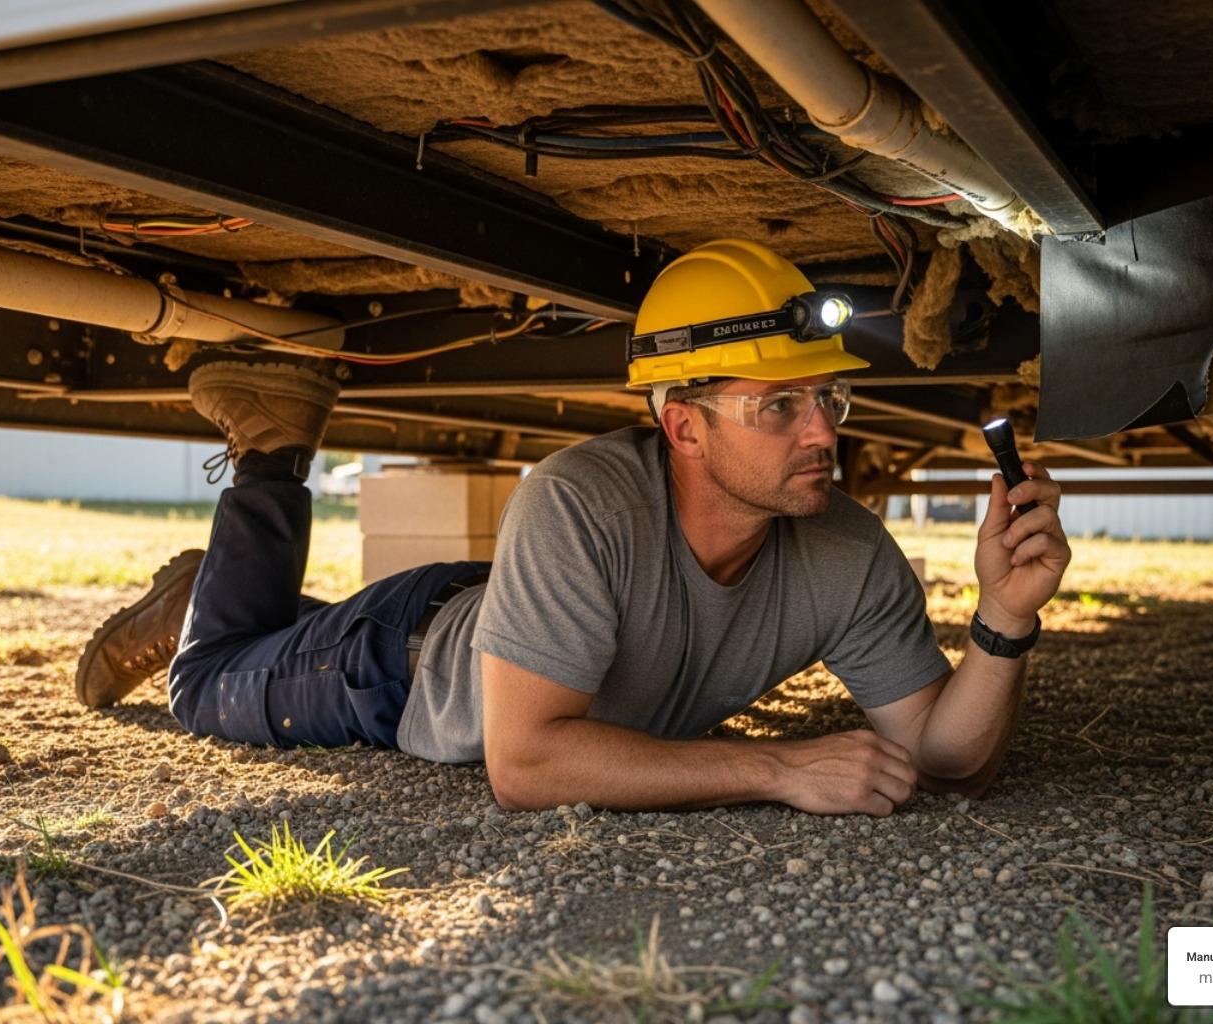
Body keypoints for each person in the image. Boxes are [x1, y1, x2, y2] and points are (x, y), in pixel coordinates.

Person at [77, 238, 1071, 816]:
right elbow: (527, 763)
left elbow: (950, 760)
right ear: (683, 423)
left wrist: (1003, 620)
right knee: (207, 683)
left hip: (524, 625)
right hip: (390, 665)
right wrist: (775, 767)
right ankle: (262, 473)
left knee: (265, 641)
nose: (823, 434)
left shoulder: (846, 554)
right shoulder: (577, 498)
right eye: (780, 407)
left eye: (829, 403)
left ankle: (238, 592)